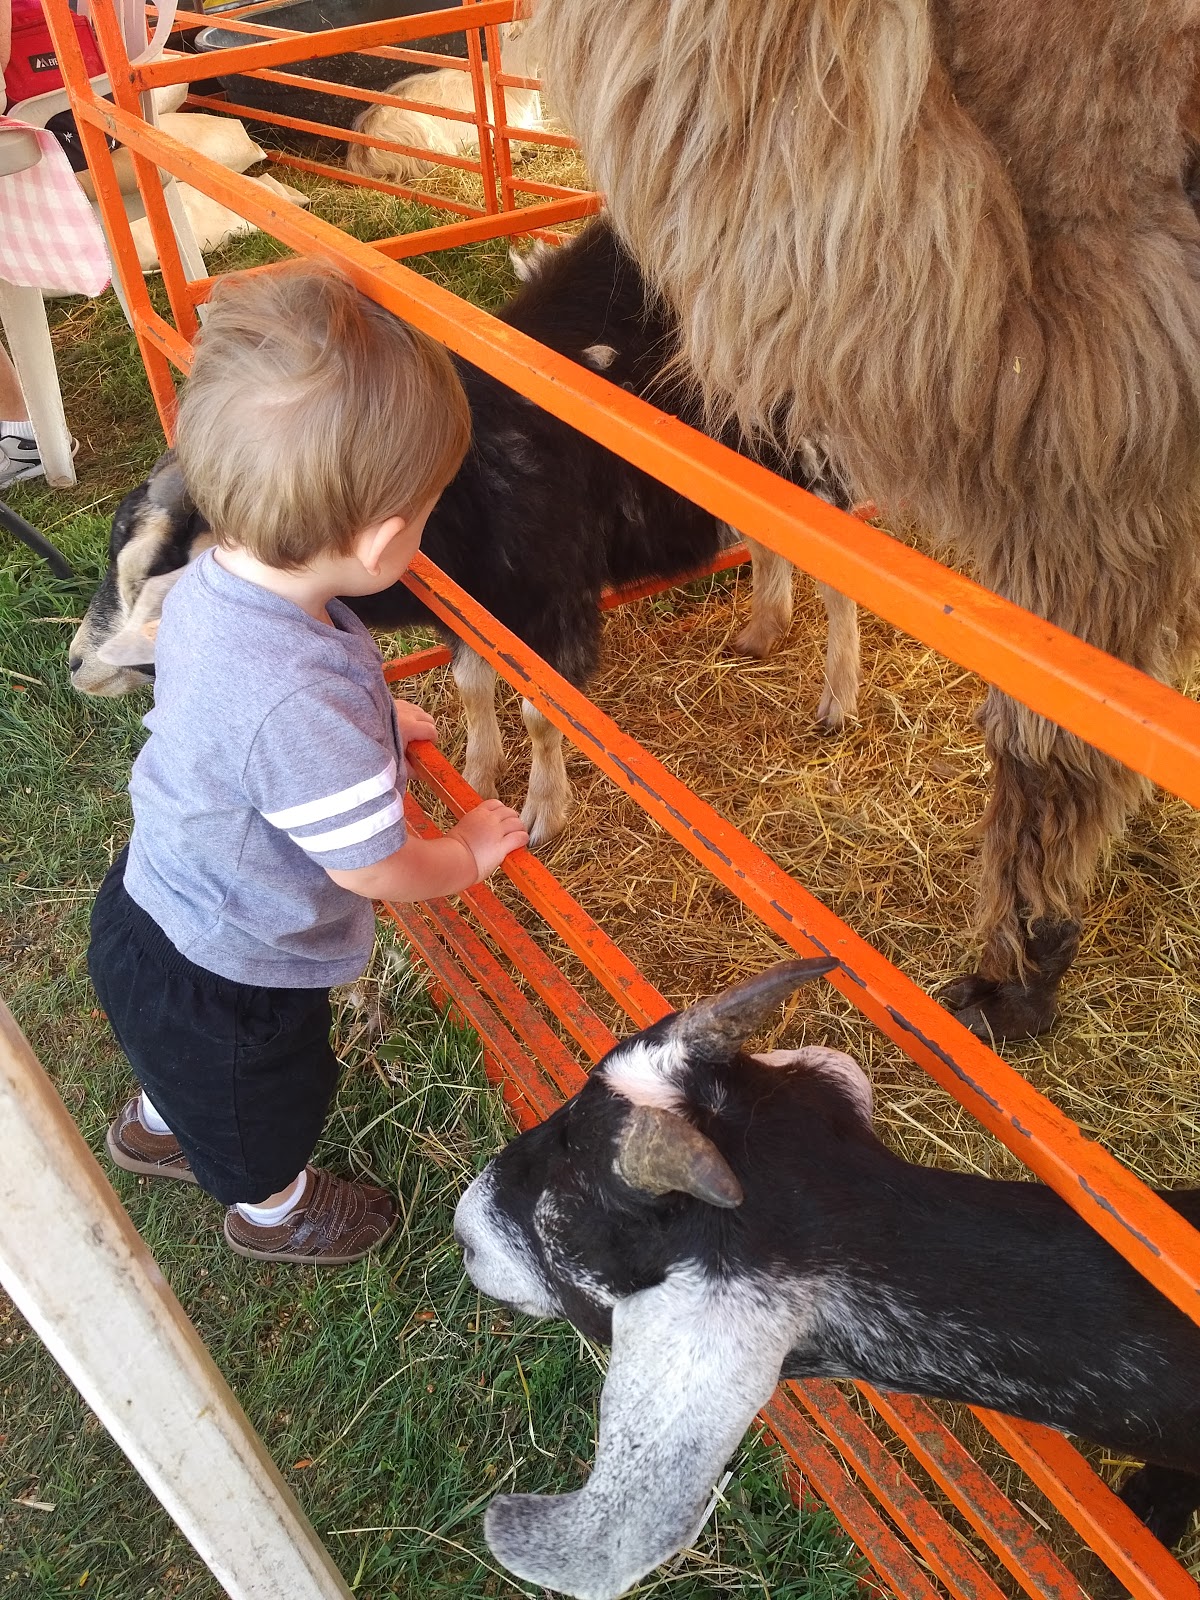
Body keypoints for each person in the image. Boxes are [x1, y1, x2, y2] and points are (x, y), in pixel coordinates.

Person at [88, 260, 529, 1265]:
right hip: (235, 971)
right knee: (263, 1102)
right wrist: (462, 851)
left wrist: (375, 732)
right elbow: (370, 866)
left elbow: (266, 734)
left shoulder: (210, 584)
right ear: (382, 542)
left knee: (184, 1059)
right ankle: (271, 1208)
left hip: (152, 906)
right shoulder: (297, 698)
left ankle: (159, 1118)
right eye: (426, 510)